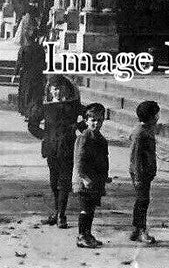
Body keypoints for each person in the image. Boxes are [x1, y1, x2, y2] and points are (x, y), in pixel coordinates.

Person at [37, 75, 83, 229]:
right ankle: (56, 212)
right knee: (53, 182)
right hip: (51, 148)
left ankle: (62, 215)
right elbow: (32, 124)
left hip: (68, 147)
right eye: (54, 89)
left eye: (60, 88)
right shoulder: (46, 106)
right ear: (50, 90)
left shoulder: (72, 105)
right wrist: (45, 136)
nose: (57, 91)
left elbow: (89, 114)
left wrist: (77, 127)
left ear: (65, 88)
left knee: (64, 182)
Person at [73, 103, 109, 249]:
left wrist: (104, 176)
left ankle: (88, 233)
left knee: (91, 208)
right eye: (93, 120)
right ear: (86, 121)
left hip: (96, 180)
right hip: (85, 181)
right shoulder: (84, 138)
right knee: (85, 208)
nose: (96, 123)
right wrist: (84, 178)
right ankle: (82, 236)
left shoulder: (100, 138)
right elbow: (79, 160)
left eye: (99, 120)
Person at [129, 100, 160, 245]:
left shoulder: (145, 129)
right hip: (140, 173)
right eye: (156, 114)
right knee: (143, 201)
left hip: (144, 172)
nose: (157, 117)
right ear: (151, 116)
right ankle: (141, 230)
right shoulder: (140, 133)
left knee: (141, 200)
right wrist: (137, 176)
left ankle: (137, 228)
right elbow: (135, 156)